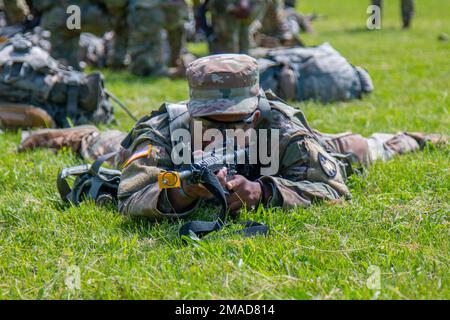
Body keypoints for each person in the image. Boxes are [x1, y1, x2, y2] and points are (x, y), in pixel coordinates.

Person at [19, 54, 448, 220]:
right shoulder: (169, 128)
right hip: (160, 159)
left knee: (353, 149)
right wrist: (181, 189)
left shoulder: (278, 123)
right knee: (112, 147)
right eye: (212, 120)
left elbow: (332, 187)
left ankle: (411, 137)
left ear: (256, 108)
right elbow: (134, 190)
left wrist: (265, 190)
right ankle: (76, 134)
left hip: (275, 161)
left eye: (235, 119)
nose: (223, 129)